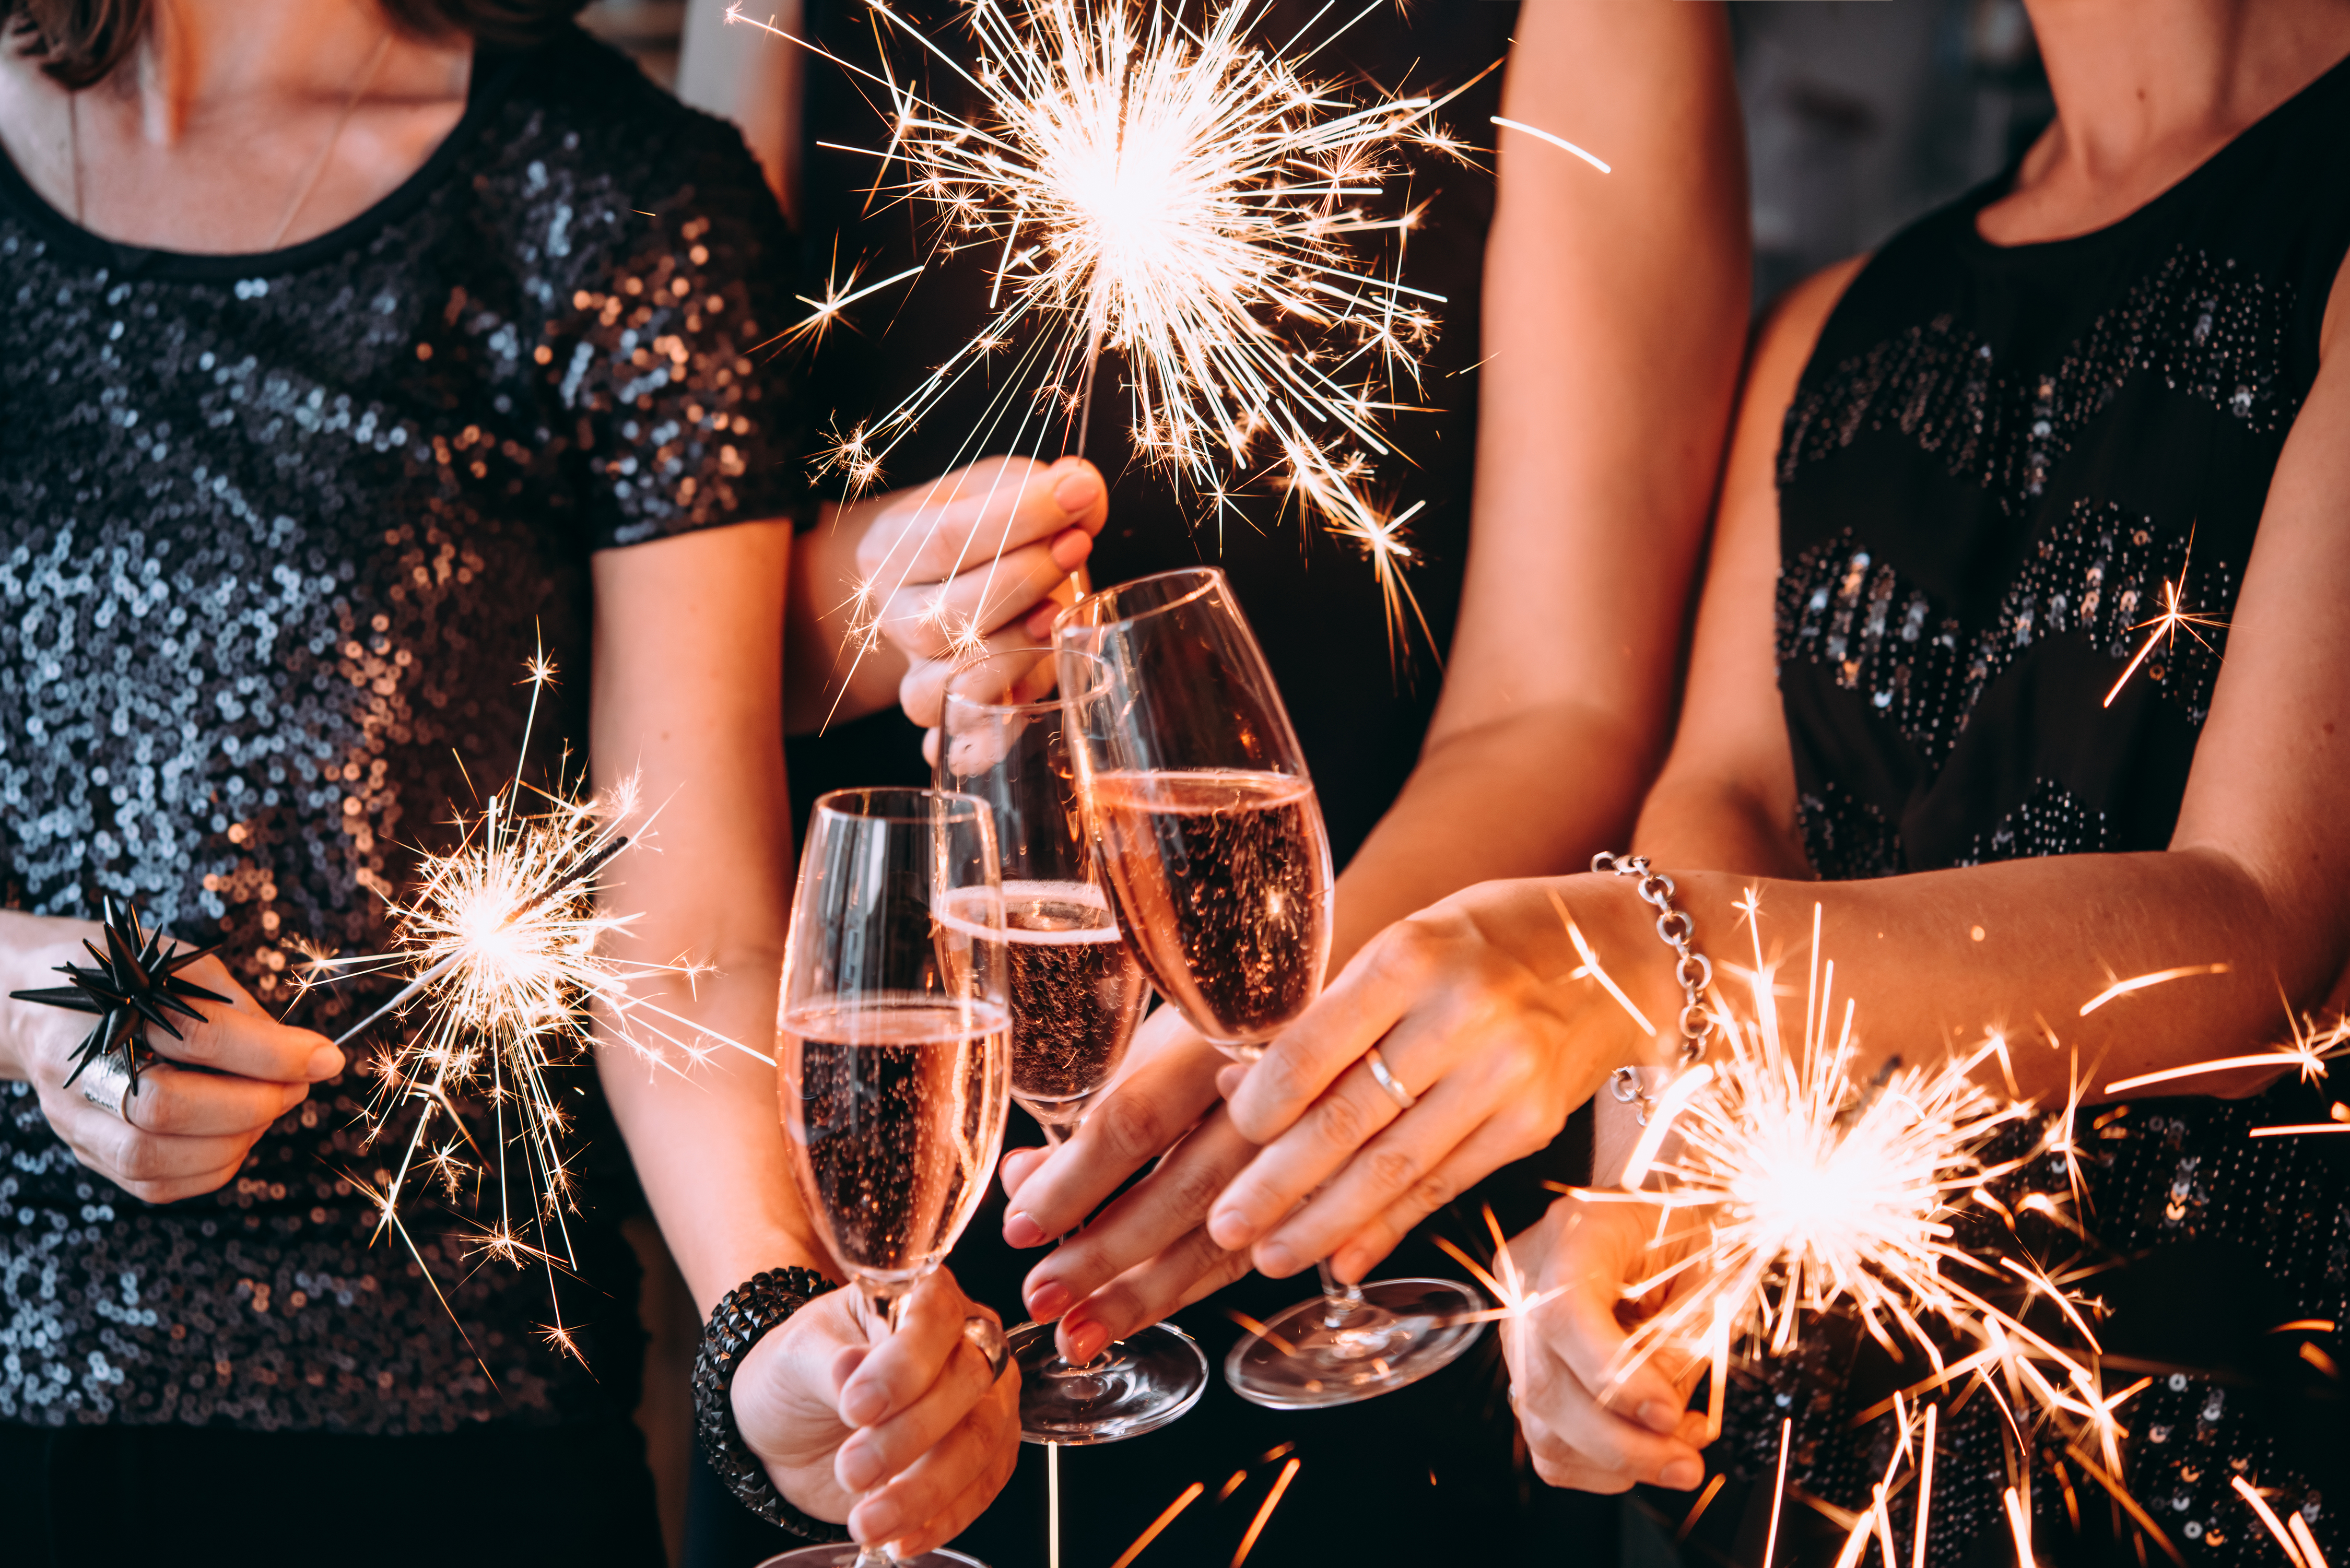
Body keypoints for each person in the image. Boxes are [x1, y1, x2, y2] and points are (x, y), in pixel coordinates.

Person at [1166, 0, 2350, 1562]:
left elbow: (2256, 941)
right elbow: (1725, 809)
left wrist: (1639, 955)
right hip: (1807, 1484)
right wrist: (1637, 1210)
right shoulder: (1833, 335)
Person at [0, 2, 1054, 1560]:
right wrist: (29, 990)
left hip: (461, 1454)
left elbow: (682, 935)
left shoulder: (616, 199)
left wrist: (778, 1324)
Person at [770, 2, 1752, 1559]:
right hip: (870, 1137)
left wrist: (1275, 1069)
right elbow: (674, 598)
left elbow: (1568, 698)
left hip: (1369, 1146)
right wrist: (855, 605)